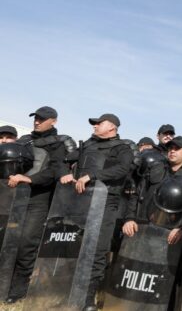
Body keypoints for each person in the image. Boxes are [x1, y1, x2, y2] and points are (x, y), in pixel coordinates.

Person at [4, 106, 77, 304]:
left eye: (42, 119)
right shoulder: (24, 140)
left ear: (53, 121)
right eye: (35, 117)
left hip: (38, 200)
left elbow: (55, 171)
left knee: (26, 243)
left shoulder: (58, 143)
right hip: (13, 197)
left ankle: (18, 290)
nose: (37, 121)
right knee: (6, 240)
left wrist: (29, 179)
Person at [61, 113, 133, 311]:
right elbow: (64, 161)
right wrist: (67, 173)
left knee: (97, 252)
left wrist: (91, 176)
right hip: (79, 204)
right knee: (73, 247)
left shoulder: (122, 148)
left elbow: (122, 169)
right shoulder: (88, 146)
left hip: (105, 204)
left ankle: (88, 300)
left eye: (98, 124)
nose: (94, 127)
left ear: (112, 127)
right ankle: (65, 292)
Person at [122, 136, 182, 244]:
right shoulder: (155, 168)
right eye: (170, 148)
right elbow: (137, 194)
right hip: (142, 227)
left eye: (177, 148)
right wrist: (129, 219)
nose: (172, 151)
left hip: (169, 234)